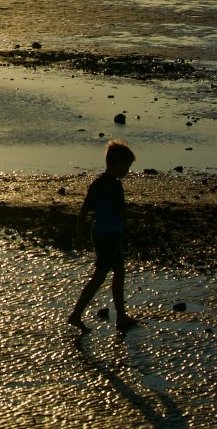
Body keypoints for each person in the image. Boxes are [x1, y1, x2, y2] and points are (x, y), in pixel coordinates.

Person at [68, 139, 139, 332]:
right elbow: (120, 212)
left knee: (119, 272)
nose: (127, 170)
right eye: (127, 166)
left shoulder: (97, 184)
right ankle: (76, 314)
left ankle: (121, 316)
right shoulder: (115, 186)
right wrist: (138, 217)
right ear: (116, 164)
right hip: (110, 235)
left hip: (98, 233)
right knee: (99, 277)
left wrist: (79, 236)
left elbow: (83, 212)